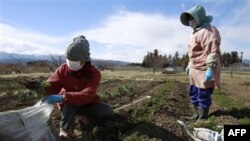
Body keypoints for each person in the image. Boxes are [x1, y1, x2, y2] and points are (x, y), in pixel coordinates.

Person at [44, 35, 113, 139]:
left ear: (85, 60)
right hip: (68, 106)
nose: (72, 64)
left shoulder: (94, 73)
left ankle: (85, 118)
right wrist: (42, 88)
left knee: (107, 111)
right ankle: (65, 130)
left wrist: (63, 97)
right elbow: (51, 86)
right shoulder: (62, 70)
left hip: (87, 104)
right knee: (69, 104)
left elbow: (88, 94)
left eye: (76, 61)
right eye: (70, 60)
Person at [180, 5, 222, 120]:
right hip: (194, 69)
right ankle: (196, 114)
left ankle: (202, 118)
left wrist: (210, 69)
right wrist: (189, 64)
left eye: (192, 18)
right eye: (188, 19)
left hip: (204, 69)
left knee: (203, 94)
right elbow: (192, 52)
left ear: (200, 18)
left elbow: (213, 52)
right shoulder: (194, 33)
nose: (190, 22)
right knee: (193, 92)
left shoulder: (208, 31)